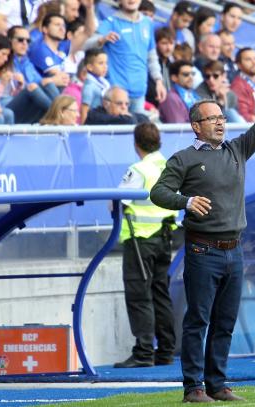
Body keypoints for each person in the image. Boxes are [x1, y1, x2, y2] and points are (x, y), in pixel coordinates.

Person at [149, 69, 255, 403]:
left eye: (222, 117)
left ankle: (217, 385)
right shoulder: (184, 159)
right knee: (198, 320)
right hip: (203, 250)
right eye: (212, 119)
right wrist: (186, 201)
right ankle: (193, 387)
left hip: (234, 250)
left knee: (225, 321)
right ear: (196, 126)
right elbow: (158, 193)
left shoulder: (236, 150)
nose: (221, 123)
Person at [113, 122, 178, 368]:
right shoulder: (169, 167)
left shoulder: (139, 170)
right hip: (165, 238)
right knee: (160, 294)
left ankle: (143, 353)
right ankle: (166, 351)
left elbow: (116, 202)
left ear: (136, 144)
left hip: (141, 239)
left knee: (140, 295)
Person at [94, 0, 166, 115]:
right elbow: (86, 44)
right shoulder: (110, 22)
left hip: (139, 93)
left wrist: (158, 80)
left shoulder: (147, 23)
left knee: (139, 131)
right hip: (116, 95)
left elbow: (151, 56)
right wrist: (101, 40)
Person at [85, 85, 149, 125]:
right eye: (119, 103)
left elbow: (144, 119)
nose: (124, 107)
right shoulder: (94, 116)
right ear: (106, 104)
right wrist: (130, 118)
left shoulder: (126, 116)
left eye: (127, 104)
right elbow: (127, 121)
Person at [80, 48, 110, 124]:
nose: (105, 66)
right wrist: (84, 131)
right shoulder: (89, 86)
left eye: (106, 63)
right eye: (101, 63)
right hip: (94, 123)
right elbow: (84, 110)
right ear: (90, 67)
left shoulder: (104, 83)